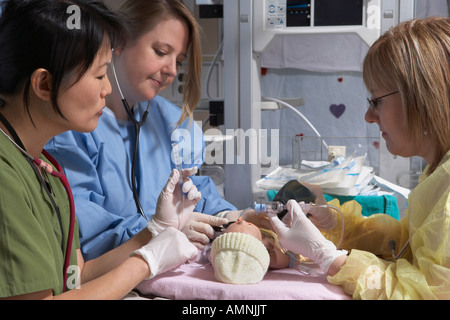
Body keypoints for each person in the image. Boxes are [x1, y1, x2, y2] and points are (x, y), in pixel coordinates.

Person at [0, 0, 201, 299]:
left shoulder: (44, 167)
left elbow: (77, 276)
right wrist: (146, 262)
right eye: (98, 75)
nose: (107, 90)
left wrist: (153, 232)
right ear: (44, 83)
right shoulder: (6, 177)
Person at [267, 17, 450, 299]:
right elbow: (409, 243)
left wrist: (330, 258)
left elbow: (423, 295)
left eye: (376, 101)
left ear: (421, 97)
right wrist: (337, 226)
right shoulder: (438, 173)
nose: (368, 116)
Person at [45, 0, 235, 261]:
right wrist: (160, 233)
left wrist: (229, 217)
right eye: (160, 51)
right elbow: (82, 221)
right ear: (120, 41)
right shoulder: (70, 128)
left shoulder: (170, 121)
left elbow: (191, 190)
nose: (171, 70)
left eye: (179, 60)